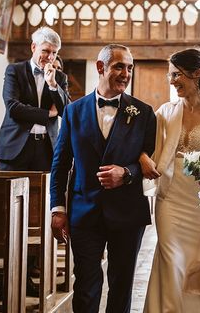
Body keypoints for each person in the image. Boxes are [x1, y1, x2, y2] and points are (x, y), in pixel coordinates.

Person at [50, 44, 156, 313]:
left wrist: (127, 173)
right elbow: (60, 164)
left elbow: (150, 161)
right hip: (85, 211)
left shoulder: (143, 113)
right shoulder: (74, 111)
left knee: (121, 284)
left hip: (127, 212)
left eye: (129, 68)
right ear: (101, 67)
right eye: (119, 66)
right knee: (86, 283)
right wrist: (58, 209)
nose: (126, 73)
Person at [143, 47, 200, 313]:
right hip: (170, 197)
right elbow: (145, 146)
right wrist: (141, 158)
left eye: (177, 75)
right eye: (170, 75)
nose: (171, 81)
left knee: (197, 262)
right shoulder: (164, 113)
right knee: (172, 260)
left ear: (196, 74)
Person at [0, 26, 69, 171]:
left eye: (54, 53)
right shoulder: (15, 70)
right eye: (46, 51)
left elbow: (66, 111)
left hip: (47, 148)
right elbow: (13, 108)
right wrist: (47, 114)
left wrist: (53, 85)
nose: (50, 57)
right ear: (33, 47)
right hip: (16, 146)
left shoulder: (60, 78)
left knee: (44, 193)